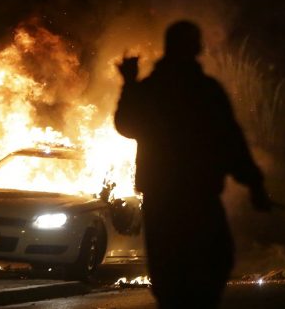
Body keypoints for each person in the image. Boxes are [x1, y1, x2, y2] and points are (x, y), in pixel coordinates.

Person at [114, 20, 274, 308]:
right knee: (212, 262)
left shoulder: (152, 90)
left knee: (169, 271)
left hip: (163, 200)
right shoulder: (205, 90)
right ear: (197, 48)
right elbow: (231, 141)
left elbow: (126, 125)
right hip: (199, 196)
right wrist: (254, 184)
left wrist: (129, 85)